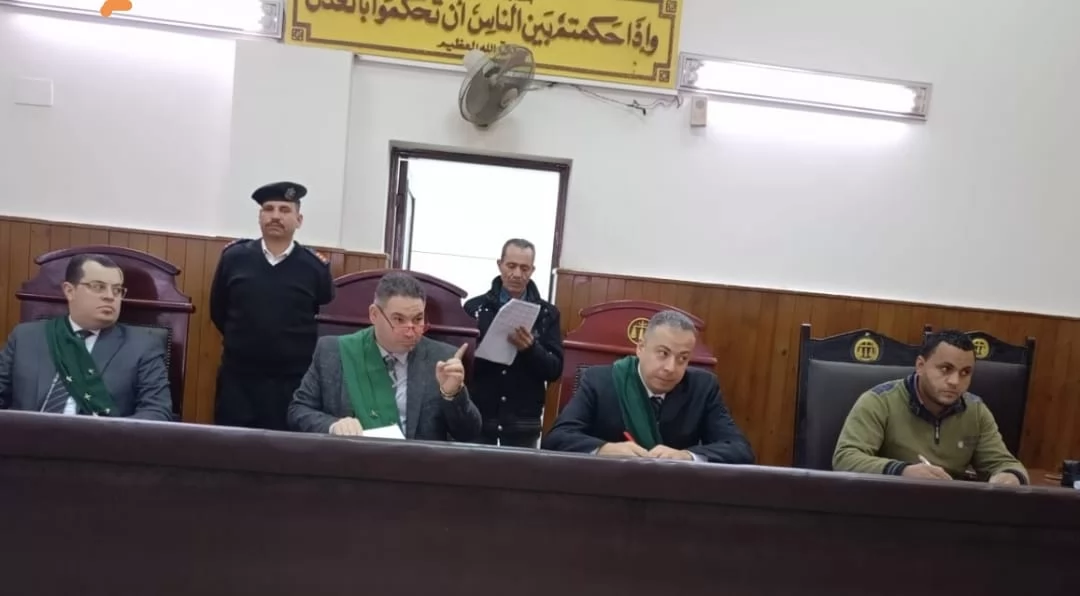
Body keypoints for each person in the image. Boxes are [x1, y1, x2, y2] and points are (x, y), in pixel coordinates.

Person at [288, 272, 482, 441]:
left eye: (418, 319)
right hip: (354, 464)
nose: (410, 332)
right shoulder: (333, 352)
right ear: (374, 315)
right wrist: (332, 425)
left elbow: (468, 434)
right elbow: (298, 411)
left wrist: (452, 394)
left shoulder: (443, 359)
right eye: (398, 319)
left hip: (418, 467)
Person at [542, 310, 754, 463]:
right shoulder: (599, 381)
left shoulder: (703, 388)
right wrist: (604, 449)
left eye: (682, 358)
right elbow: (558, 438)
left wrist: (687, 456)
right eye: (663, 353)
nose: (671, 368)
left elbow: (739, 449)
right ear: (641, 348)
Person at [209, 181, 335, 430]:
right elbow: (218, 311)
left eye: (285, 210)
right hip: (238, 381)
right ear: (260, 217)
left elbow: (322, 318)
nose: (276, 216)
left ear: (299, 220)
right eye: (269, 209)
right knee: (231, 448)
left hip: (293, 384)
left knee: (287, 450)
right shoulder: (234, 258)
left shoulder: (315, 268)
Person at [832, 330, 1029, 485]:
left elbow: (1004, 463)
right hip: (891, 505)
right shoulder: (879, 401)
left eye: (965, 372)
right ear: (920, 365)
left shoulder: (976, 410)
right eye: (945, 369)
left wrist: (1009, 476)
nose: (955, 381)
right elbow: (845, 459)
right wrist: (902, 471)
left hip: (951, 509)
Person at [0, 254, 173, 421]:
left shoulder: (142, 346)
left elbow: (157, 412)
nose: (110, 296)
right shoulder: (25, 337)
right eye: (98, 287)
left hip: (100, 440)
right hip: (27, 438)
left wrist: (112, 436)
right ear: (70, 291)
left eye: (117, 290)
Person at [464, 238, 563, 448]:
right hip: (479, 421)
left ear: (532, 270)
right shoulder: (474, 309)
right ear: (499, 264)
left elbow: (554, 370)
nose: (517, 274)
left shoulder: (547, 314)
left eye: (524, 268)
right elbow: (463, 364)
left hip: (523, 426)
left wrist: (531, 349)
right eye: (511, 266)